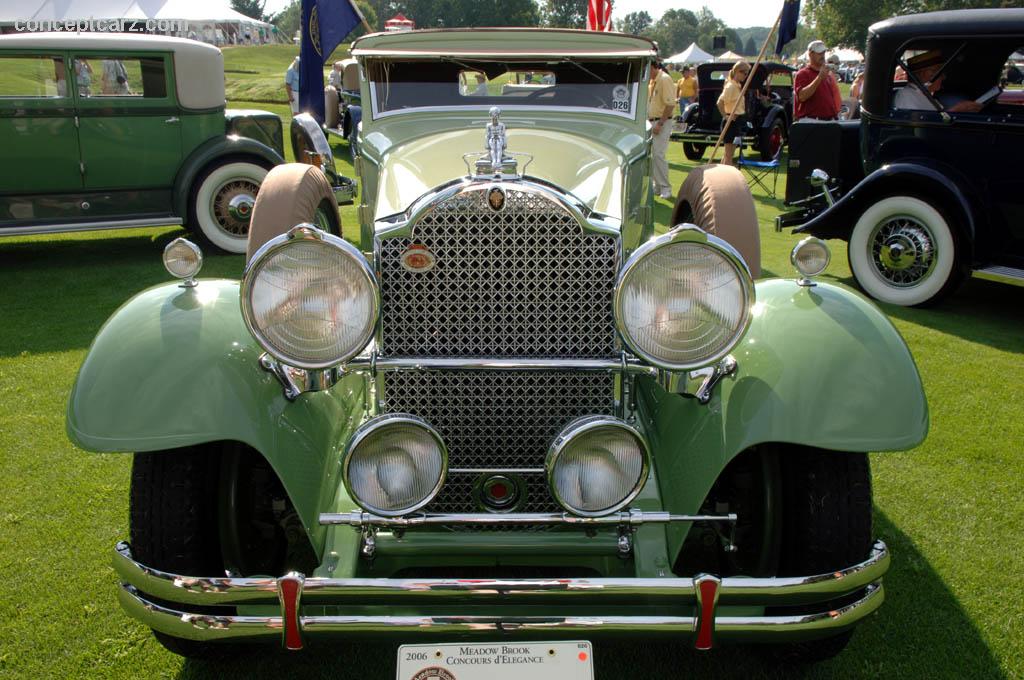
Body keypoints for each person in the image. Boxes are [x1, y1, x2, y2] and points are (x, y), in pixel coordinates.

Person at [894, 49, 983, 113]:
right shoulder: (906, 95)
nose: (943, 77)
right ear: (923, 74)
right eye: (938, 72)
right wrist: (956, 110)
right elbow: (920, 130)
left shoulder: (925, 95)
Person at [648, 60, 676, 200]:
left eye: (647, 68)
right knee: (653, 155)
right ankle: (657, 186)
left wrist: (660, 123)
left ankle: (665, 187)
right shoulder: (652, 81)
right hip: (652, 121)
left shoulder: (664, 79)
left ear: (654, 67)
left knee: (658, 154)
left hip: (661, 121)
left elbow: (670, 104)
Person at [794, 40, 841, 121]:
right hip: (812, 121)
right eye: (819, 53)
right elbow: (802, 97)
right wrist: (819, 78)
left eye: (823, 52)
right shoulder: (802, 73)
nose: (822, 55)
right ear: (810, 54)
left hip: (829, 120)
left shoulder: (827, 73)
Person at [716, 60, 750, 166]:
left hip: (738, 120)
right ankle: (727, 178)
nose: (746, 76)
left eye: (747, 73)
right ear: (737, 72)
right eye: (744, 73)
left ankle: (722, 176)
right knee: (728, 156)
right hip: (731, 121)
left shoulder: (737, 85)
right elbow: (720, 102)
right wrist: (726, 116)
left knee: (728, 154)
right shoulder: (731, 86)